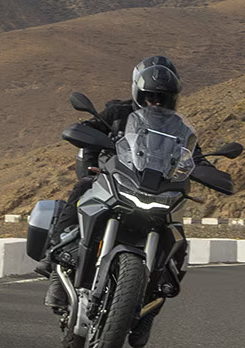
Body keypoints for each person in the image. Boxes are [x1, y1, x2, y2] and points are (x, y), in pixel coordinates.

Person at [43, 55, 183, 310]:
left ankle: (161, 284)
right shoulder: (118, 112)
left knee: (176, 231)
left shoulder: (177, 128)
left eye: (162, 97)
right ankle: (55, 257)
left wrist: (207, 170)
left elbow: (192, 155)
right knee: (83, 187)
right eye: (151, 96)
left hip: (155, 188)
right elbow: (89, 131)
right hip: (114, 177)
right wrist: (92, 165)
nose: (156, 101)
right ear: (139, 92)